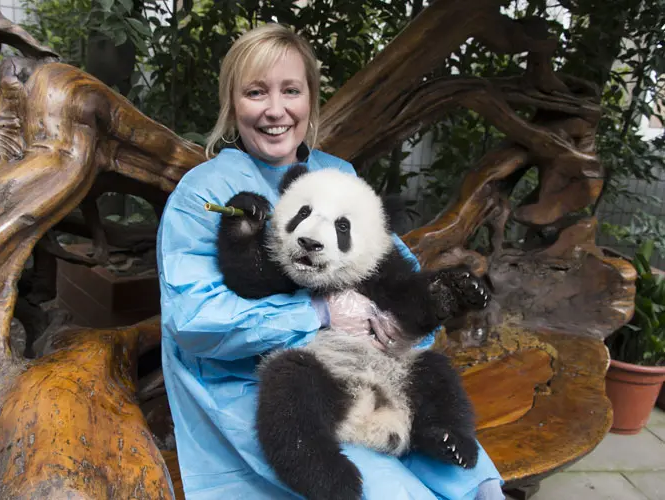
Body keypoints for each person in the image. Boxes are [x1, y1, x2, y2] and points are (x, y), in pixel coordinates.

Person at [156, 23, 505, 500]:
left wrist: (410, 319)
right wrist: (318, 313)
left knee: (478, 483)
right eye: (256, 92)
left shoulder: (337, 174)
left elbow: (392, 268)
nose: (275, 109)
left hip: (379, 369)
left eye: (290, 90)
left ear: (310, 100)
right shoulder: (202, 195)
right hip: (257, 387)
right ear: (232, 102)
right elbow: (194, 320)